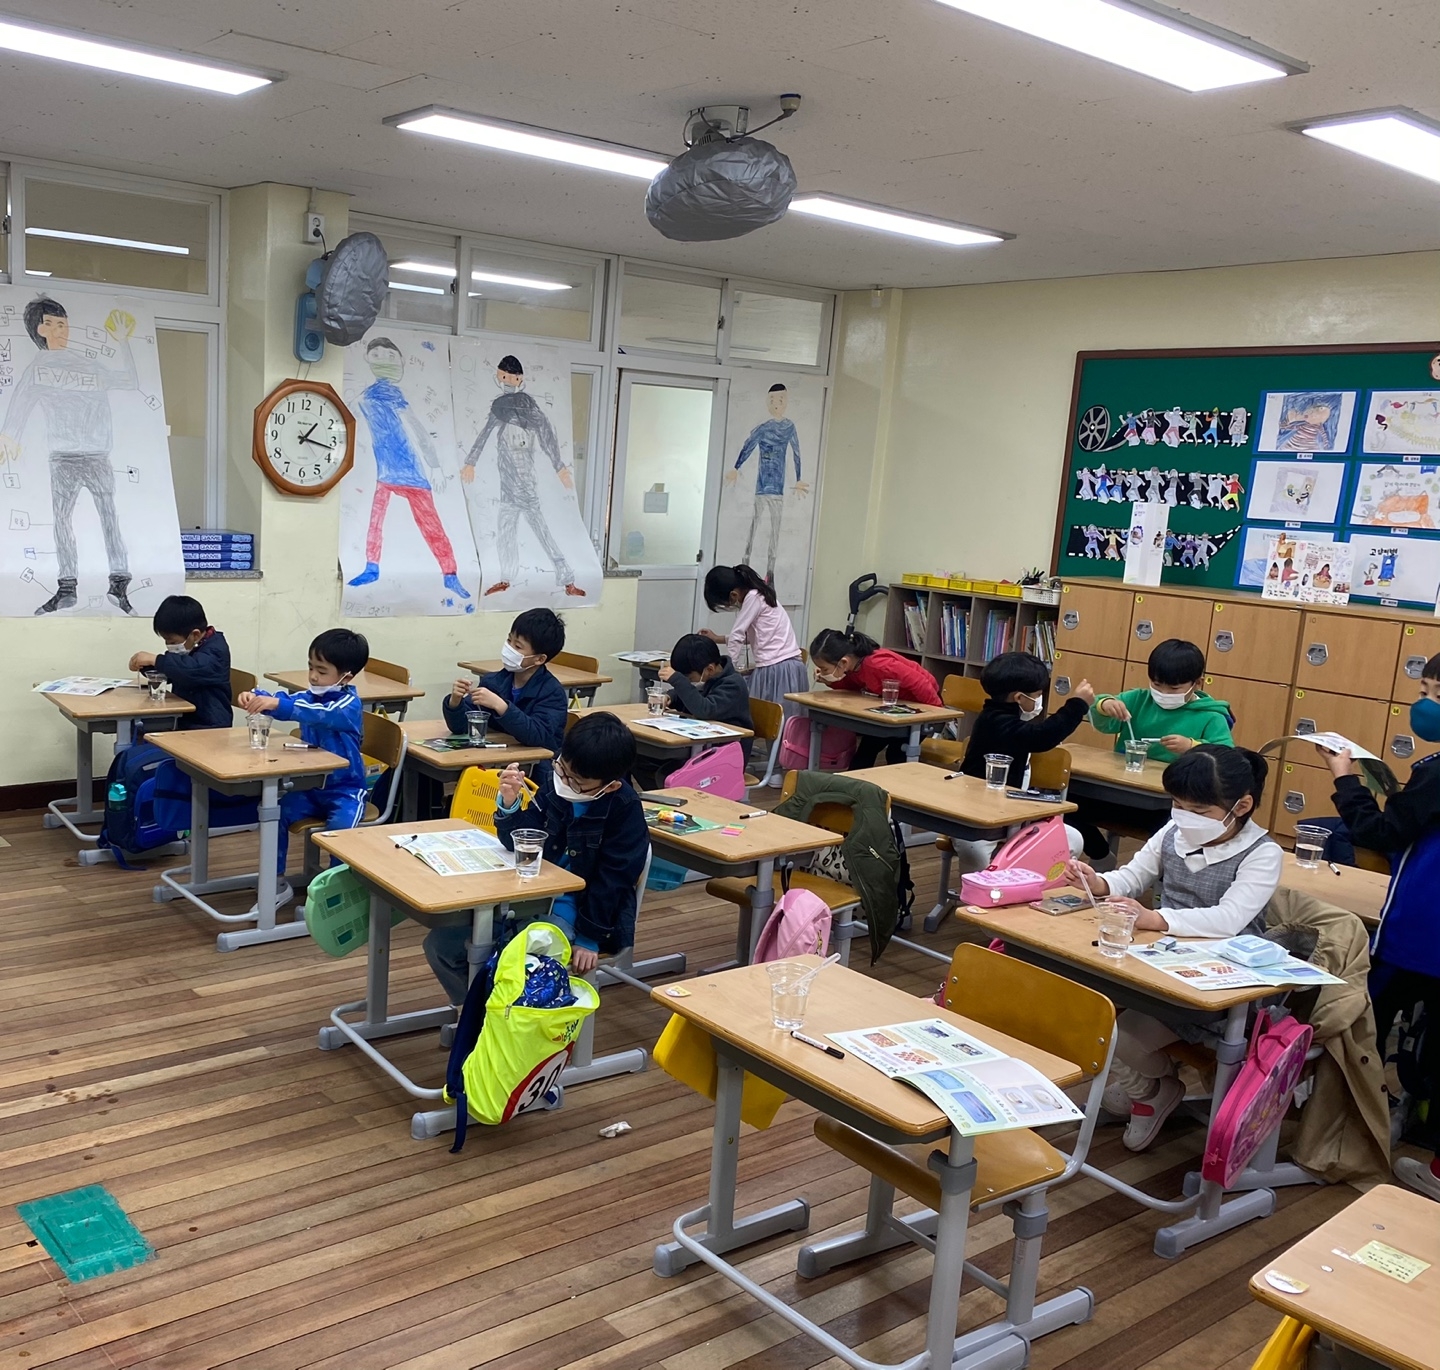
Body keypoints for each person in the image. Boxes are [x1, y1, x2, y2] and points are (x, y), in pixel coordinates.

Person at [1066, 746, 1280, 1151]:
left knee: (1115, 1033)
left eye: (1198, 810)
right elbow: (1133, 875)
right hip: (1161, 959)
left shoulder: (1263, 853)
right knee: (1087, 1012)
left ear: (1242, 806)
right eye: (1178, 805)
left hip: (1223, 978)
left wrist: (1156, 919)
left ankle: (1150, 1091)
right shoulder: (1173, 832)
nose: (1183, 816)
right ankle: (1150, 1089)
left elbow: (1228, 919)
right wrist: (1099, 883)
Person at [422, 712, 648, 1006]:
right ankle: (480, 1016)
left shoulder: (624, 810)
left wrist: (589, 938)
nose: (565, 782)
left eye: (577, 782)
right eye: (562, 769)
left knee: (512, 960)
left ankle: (503, 1015)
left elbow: (613, 881)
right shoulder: (557, 786)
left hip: (578, 914)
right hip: (527, 898)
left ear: (611, 785)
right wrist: (509, 803)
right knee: (440, 945)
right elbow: (517, 841)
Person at [1320, 654, 1440, 1201]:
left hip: (1422, 929)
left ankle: (1350, 1120)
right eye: (1423, 690)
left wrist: (1345, 778)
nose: (1424, 704)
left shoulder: (1436, 773)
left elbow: (1381, 832)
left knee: (1368, 1012)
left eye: (1436, 694)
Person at [1, 297, 137, 615]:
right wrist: (9, 436)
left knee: (108, 516)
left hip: (97, 455)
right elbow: (19, 404)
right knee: (62, 520)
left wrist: (123, 342)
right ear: (40, 330)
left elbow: (129, 380)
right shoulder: (38, 369)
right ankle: (67, 588)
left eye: (64, 325)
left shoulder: (86, 364)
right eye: (55, 325)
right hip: (63, 457)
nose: (62, 331)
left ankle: (119, 583)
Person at [237, 629, 370, 910]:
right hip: (311, 788)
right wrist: (255, 696)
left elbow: (318, 714)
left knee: (340, 833)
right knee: (274, 813)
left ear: (346, 677)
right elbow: (285, 699)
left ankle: (335, 897)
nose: (313, 677)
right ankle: (275, 883)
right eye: (311, 667)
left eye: (321, 671)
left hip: (346, 790)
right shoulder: (310, 696)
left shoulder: (348, 705)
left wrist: (277, 704)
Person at [346, 337, 470, 600]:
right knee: (378, 521)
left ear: (401, 360)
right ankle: (373, 568)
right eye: (377, 356)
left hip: (409, 470)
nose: (384, 361)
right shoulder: (367, 396)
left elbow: (417, 429)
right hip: (386, 472)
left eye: (390, 356)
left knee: (429, 525)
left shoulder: (388, 394)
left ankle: (449, 574)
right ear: (367, 359)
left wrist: (435, 465)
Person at [461, 354, 584, 598]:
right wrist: (470, 462)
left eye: (511, 378)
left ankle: (567, 579)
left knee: (541, 530)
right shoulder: (499, 407)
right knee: (506, 531)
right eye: (503, 377)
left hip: (525, 485)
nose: (506, 381)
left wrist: (559, 467)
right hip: (508, 487)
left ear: (520, 379)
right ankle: (506, 579)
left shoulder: (528, 406)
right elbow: (485, 433)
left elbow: (546, 434)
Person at [444, 608, 569, 768]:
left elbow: (538, 735)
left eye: (517, 646)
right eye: (509, 641)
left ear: (539, 659)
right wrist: (455, 702)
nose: (509, 648)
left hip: (535, 768)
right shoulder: (494, 681)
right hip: (497, 760)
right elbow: (462, 727)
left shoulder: (552, 692)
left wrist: (501, 706)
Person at [809, 627, 942, 769]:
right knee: (866, 750)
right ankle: (854, 782)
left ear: (843, 662)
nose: (822, 672)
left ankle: (896, 783)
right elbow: (851, 686)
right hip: (896, 707)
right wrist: (829, 681)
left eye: (825, 669)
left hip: (923, 705)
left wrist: (937, 713)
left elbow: (920, 682)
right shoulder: (855, 666)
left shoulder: (878, 665)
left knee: (896, 754)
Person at [959, 651, 1094, 790]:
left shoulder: (993, 715)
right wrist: (1077, 705)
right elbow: (1043, 736)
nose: (1039, 699)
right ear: (1019, 697)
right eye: (1038, 694)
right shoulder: (998, 723)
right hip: (979, 794)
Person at [1088, 638, 1233, 763]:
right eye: (1157, 685)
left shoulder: (1211, 715)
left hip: (1178, 783)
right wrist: (1104, 705)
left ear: (1197, 683)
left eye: (1174, 688)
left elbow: (1226, 756)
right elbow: (1099, 719)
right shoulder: (1137, 700)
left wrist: (1192, 746)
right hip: (1129, 775)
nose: (1164, 693)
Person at [701, 563, 808, 717]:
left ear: (733, 595)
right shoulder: (760, 594)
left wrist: (728, 670)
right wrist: (717, 638)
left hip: (777, 668)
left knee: (772, 719)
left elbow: (738, 634)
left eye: (727, 604)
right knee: (783, 719)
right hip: (788, 666)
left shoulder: (752, 598)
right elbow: (750, 636)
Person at [726, 384, 807, 584]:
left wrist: (798, 478)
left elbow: (796, 452)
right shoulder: (763, 428)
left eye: (780, 399)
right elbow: (748, 446)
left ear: (786, 401)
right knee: (754, 526)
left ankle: (770, 575)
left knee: (774, 533)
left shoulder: (789, 427)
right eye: (772, 400)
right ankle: (744, 568)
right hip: (761, 488)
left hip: (778, 490)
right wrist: (736, 467)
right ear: (767, 403)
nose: (776, 404)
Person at [128, 595, 233, 730]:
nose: (169, 646)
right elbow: (171, 672)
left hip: (207, 725)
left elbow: (190, 669)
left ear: (195, 635)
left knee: (140, 736)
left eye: (172, 642)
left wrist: (155, 659)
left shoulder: (216, 651)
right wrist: (145, 666)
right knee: (135, 728)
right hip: (184, 718)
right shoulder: (191, 647)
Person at [659, 634, 752, 731]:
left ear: (710, 669)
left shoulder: (733, 685)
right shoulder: (709, 678)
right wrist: (671, 697)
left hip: (732, 737)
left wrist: (678, 681)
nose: (688, 682)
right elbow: (691, 698)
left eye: (690, 678)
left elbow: (704, 710)